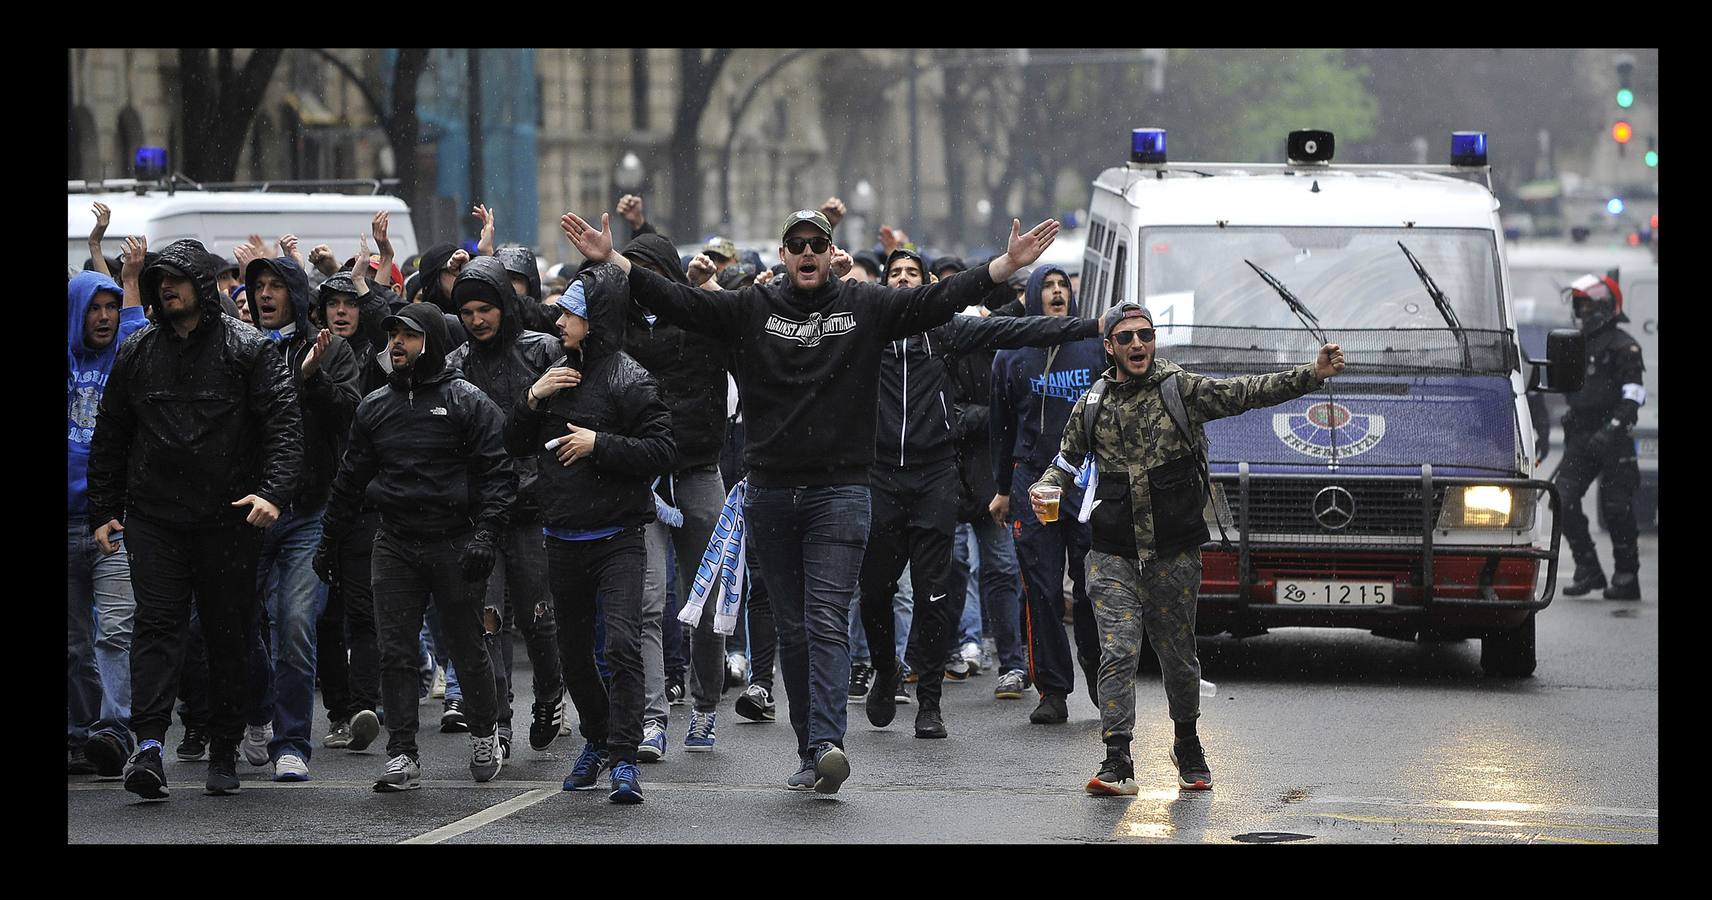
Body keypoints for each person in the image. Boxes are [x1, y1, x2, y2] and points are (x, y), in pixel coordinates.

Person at [559, 205, 1058, 793]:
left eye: (816, 244)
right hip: (770, 491)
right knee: (793, 628)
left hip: (841, 492)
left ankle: (827, 742)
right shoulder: (752, 308)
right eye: (795, 244)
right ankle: (807, 748)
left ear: (829, 252)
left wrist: (1004, 266)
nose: (806, 253)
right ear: (782, 255)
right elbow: (680, 302)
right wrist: (613, 260)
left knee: (823, 618)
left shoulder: (865, 305)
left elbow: (936, 301)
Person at [1030, 301, 1345, 794]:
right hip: (1112, 552)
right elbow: (1067, 462)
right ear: (1109, 346)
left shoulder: (1181, 389)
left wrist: (1312, 374)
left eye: (1146, 335)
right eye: (1127, 337)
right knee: (1117, 651)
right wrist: (1044, 486)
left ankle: (1187, 742)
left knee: (1177, 656)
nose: (1138, 344)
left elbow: (1246, 393)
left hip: (1173, 553)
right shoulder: (1092, 403)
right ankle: (1117, 759)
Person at [86, 239, 304, 800]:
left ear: (202, 285)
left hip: (229, 516)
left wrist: (273, 495)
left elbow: (284, 426)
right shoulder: (138, 350)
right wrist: (105, 510)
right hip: (155, 516)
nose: (166, 287)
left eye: (177, 278)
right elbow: (111, 433)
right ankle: (150, 744)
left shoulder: (247, 346)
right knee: (157, 627)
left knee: (227, 632)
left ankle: (226, 744)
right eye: (159, 279)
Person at [858, 248, 1099, 740]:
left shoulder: (947, 332)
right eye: (895, 274)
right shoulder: (866, 332)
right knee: (875, 591)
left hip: (933, 477)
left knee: (934, 592)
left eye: (913, 274)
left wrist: (1091, 327)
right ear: (884, 286)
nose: (904, 280)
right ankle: (885, 668)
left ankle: (929, 700)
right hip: (880, 476)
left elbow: (1018, 330)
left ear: (926, 286)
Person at [315, 304, 511, 792]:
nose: (396, 344)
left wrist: (486, 532)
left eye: (408, 335)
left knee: (467, 648)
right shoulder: (374, 406)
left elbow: (498, 474)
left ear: (433, 341)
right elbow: (349, 478)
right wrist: (329, 539)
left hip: (455, 541)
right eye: (392, 336)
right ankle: (402, 752)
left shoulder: (467, 401)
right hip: (396, 541)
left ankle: (485, 734)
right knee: (395, 652)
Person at [502, 265, 675, 804]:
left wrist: (599, 444)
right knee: (573, 654)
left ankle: (624, 757)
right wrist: (532, 397)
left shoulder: (629, 376)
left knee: (621, 645)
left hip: (618, 535)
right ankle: (597, 739)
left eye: (572, 312)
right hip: (562, 536)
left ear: (596, 320)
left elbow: (663, 450)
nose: (559, 318)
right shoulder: (553, 371)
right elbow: (512, 443)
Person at [240, 252, 363, 782]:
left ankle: (292, 740)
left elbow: (349, 413)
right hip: (246, 511)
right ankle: (255, 714)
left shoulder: (329, 349)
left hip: (307, 510)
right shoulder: (237, 345)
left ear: (294, 293)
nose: (264, 295)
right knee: (238, 628)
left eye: (275, 285)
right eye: (257, 286)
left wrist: (310, 377)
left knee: (294, 624)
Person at [444, 256, 568, 759]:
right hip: (478, 513)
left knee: (538, 617)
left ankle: (550, 694)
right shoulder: (454, 365)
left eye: (486, 308)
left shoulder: (541, 352)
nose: (477, 320)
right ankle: (496, 720)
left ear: (506, 306)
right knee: (487, 620)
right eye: (468, 311)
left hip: (535, 508)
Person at [619, 232, 733, 760]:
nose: (639, 282)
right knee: (645, 603)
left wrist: (709, 284)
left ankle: (706, 707)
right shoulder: (616, 327)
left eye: (648, 271)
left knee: (704, 600)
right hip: (640, 479)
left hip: (697, 474)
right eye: (631, 270)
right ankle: (652, 719)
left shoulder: (701, 320)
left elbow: (747, 313)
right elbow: (542, 313)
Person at [989, 265, 1103, 725]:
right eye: (1048, 287)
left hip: (1085, 481)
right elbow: (1001, 428)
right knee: (1041, 586)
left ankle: (1099, 671)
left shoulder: (1096, 348)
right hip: (1033, 481)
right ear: (1033, 297)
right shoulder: (1012, 352)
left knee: (1094, 582)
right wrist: (1000, 490)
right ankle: (1052, 689)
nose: (1057, 293)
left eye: (1063, 287)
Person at [67, 239, 148, 778]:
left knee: (115, 632)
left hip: (112, 519)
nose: (104, 316)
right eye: (94, 307)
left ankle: (116, 731)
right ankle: (81, 735)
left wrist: (130, 272)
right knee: (73, 643)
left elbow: (139, 324)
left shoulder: (127, 352)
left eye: (110, 307)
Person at [1557, 274, 1647, 601]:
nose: (1581, 313)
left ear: (1605, 307)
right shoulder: (1576, 344)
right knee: (1562, 500)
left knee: (1616, 507)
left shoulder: (1624, 345)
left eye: (1586, 305)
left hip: (1614, 438)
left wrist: (1611, 429)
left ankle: (1626, 576)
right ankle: (1588, 568)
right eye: (1578, 306)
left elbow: (1635, 394)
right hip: (1581, 436)